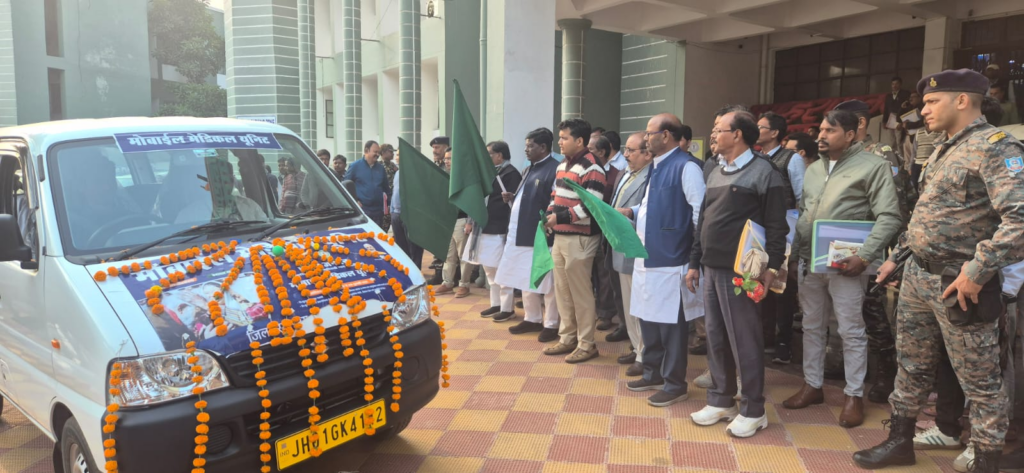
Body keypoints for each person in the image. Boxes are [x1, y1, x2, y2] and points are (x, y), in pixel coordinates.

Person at [853, 69, 1024, 472]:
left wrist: (978, 271)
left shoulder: (996, 147)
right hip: (919, 277)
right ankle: (900, 441)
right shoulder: (944, 148)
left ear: (962, 100)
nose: (923, 109)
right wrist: (898, 256)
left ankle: (985, 458)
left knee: (980, 379)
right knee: (912, 365)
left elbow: (1019, 218)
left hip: (960, 283)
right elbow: (926, 216)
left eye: (931, 102)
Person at [783, 109, 902, 428]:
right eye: (820, 129)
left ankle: (853, 395)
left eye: (830, 131)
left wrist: (865, 256)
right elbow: (805, 213)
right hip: (811, 262)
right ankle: (812, 385)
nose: (821, 136)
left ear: (850, 135)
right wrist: (796, 257)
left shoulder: (873, 166)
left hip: (848, 264)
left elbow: (890, 216)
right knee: (811, 326)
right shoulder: (813, 169)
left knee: (850, 329)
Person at [686, 109, 788, 438]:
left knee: (744, 339)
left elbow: (777, 226)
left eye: (719, 129)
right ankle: (721, 399)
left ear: (738, 134)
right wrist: (694, 262)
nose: (713, 135)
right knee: (715, 337)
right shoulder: (715, 170)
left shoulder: (764, 172)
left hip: (743, 272)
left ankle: (754, 409)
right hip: (711, 267)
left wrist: (772, 267)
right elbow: (703, 222)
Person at [831, 99, 918, 401]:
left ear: (859, 124)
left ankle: (886, 370)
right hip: (843, 243)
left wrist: (894, 253)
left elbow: (897, 204)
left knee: (872, 306)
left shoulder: (880, 152)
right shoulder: (840, 157)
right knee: (849, 309)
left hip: (872, 245)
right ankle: (852, 364)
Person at [619, 114, 705, 407]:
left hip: (672, 258)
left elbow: (699, 214)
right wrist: (630, 212)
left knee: (671, 326)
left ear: (666, 135)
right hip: (648, 255)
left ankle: (675, 383)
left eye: (649, 133)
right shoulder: (656, 165)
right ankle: (653, 372)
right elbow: (649, 206)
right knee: (648, 319)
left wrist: (694, 258)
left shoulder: (687, 167)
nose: (645, 138)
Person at [542, 118, 607, 364]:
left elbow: (591, 207)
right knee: (563, 291)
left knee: (581, 294)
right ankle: (567, 337)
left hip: (581, 238)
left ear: (579, 141)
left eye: (564, 138)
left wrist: (557, 218)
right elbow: (555, 196)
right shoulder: (562, 165)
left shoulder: (593, 168)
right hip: (561, 236)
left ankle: (587, 344)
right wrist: (550, 215)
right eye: (560, 137)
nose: (559, 142)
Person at [496, 128, 561, 342]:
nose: (526, 150)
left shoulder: (555, 168)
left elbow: (555, 201)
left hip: (542, 235)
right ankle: (532, 318)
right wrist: (513, 197)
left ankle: (551, 323)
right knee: (525, 277)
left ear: (543, 147)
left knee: (547, 282)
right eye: (526, 146)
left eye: (530, 146)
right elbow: (529, 197)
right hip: (521, 232)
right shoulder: (528, 168)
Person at [756, 111, 802, 365]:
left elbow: (802, 198)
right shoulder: (757, 158)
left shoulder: (791, 159)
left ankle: (784, 341)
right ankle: (766, 336)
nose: (756, 131)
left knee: (783, 286)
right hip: (760, 230)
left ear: (774, 133)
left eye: (761, 127)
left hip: (786, 229)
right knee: (761, 279)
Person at [461, 140, 524, 319]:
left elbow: (515, 202)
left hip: (500, 228)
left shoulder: (510, 174)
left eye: (489, 154)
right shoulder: (491, 172)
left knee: (501, 269)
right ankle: (496, 304)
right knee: (489, 269)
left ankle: (507, 308)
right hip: (486, 226)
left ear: (499, 155)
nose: (486, 157)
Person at [607, 132, 653, 377]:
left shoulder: (651, 176)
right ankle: (637, 348)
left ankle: (644, 355)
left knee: (638, 305)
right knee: (627, 304)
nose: (625, 155)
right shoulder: (626, 173)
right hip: (620, 244)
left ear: (647, 154)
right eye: (625, 149)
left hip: (636, 247)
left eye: (631, 151)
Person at [588, 134, 623, 333]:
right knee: (589, 274)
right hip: (585, 230)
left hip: (605, 232)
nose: (587, 153)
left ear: (601, 152)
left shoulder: (615, 174)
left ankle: (606, 314)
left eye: (591, 150)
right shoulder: (586, 172)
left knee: (604, 275)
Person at [435, 148, 476, 298]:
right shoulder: (445, 176)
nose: (446, 161)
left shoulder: (465, 178)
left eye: (450, 158)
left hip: (461, 220)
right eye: (446, 158)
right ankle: (447, 283)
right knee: (449, 255)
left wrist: (470, 221)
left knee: (463, 255)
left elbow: (471, 201)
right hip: (448, 221)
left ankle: (464, 284)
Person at [343, 140, 390, 229]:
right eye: (375, 152)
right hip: (362, 211)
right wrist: (355, 200)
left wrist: (389, 204)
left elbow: (386, 188)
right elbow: (345, 186)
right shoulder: (355, 166)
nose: (377, 154)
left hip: (378, 212)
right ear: (366, 151)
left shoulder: (381, 168)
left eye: (378, 152)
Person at [390, 152, 423, 270]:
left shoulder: (415, 173)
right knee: (401, 249)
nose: (396, 157)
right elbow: (395, 192)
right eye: (396, 154)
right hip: (396, 215)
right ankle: (405, 273)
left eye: (399, 154)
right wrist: (392, 211)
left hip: (410, 216)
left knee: (414, 249)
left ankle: (415, 273)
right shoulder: (397, 173)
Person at [884, 77, 912, 148]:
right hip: (890, 118)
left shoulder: (905, 94)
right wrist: (884, 121)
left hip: (899, 118)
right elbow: (886, 108)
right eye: (893, 84)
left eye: (896, 84)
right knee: (891, 141)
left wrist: (903, 121)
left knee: (899, 141)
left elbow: (907, 107)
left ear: (900, 84)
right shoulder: (888, 96)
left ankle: (901, 155)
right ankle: (893, 155)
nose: (894, 86)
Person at [380, 143, 398, 232]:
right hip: (383, 201)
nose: (392, 154)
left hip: (393, 199)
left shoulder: (393, 166)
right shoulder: (378, 166)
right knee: (383, 227)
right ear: (383, 153)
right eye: (390, 152)